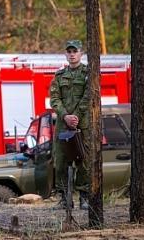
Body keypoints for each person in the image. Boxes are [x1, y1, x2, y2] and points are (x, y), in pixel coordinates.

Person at [49, 40, 91, 210]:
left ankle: (84, 197)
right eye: (69, 51)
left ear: (81, 53)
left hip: (83, 124)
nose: (72, 54)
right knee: (60, 161)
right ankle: (64, 199)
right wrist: (66, 116)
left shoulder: (88, 73)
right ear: (65, 54)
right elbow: (54, 99)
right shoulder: (59, 76)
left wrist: (76, 116)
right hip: (63, 125)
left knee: (84, 161)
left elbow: (89, 96)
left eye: (75, 51)